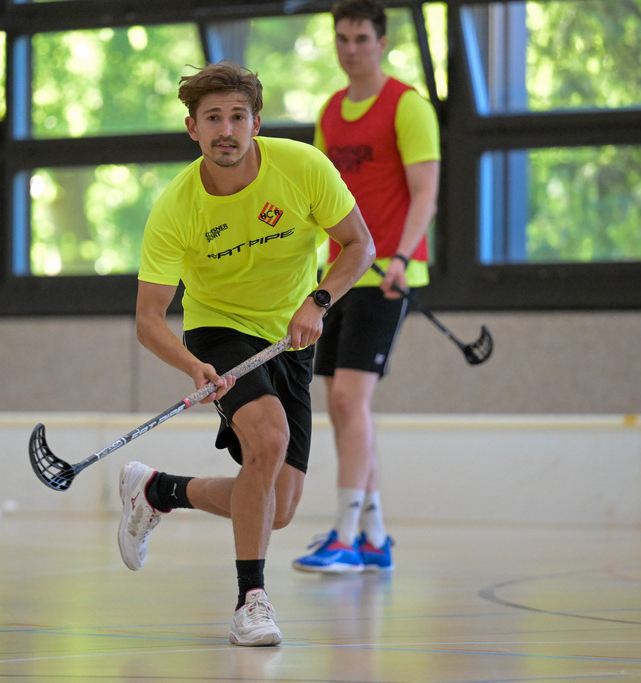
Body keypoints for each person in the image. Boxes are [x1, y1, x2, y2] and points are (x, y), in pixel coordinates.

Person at [121, 59, 374, 646]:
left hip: (292, 333)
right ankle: (251, 602)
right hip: (220, 331)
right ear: (193, 129)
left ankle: (158, 490)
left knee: (277, 507)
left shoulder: (303, 167)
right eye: (213, 118)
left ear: (256, 122)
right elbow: (147, 319)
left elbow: (359, 245)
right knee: (267, 439)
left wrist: (320, 299)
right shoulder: (176, 208)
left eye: (238, 116)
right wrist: (192, 366)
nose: (227, 130)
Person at [291, 0, 440, 574]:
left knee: (352, 400)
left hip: (389, 276)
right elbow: (322, 202)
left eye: (360, 38)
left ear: (382, 42)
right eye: (342, 38)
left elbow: (424, 192)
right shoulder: (330, 111)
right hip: (341, 276)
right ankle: (375, 538)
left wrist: (402, 255)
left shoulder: (408, 107)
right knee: (340, 402)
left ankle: (347, 536)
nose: (350, 48)